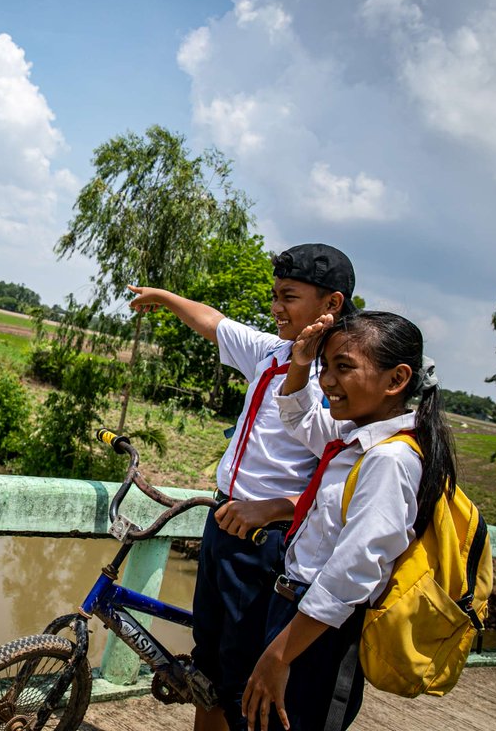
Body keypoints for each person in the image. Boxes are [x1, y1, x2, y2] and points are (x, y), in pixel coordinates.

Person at [128, 243, 356, 731]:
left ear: (331, 304)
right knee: (209, 670)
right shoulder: (273, 353)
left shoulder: (340, 379)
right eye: (274, 295)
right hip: (224, 522)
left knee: (241, 681)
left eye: (289, 296)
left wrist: (273, 509)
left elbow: (346, 482)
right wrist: (164, 297)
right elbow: (212, 322)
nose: (276, 307)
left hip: (266, 543)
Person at [241, 311, 456, 731]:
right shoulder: (356, 437)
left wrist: (281, 654)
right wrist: (301, 364)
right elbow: (298, 419)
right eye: (327, 367)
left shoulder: (390, 459)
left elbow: (353, 572)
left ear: (396, 380)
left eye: (344, 368)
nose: (327, 382)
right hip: (297, 614)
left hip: (320, 633)